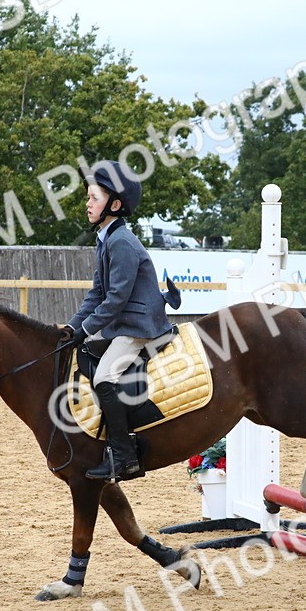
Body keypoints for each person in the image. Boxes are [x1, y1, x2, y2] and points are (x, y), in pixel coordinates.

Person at [60, 161, 178, 481]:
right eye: (87, 197)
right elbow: (96, 293)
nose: (87, 203)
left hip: (137, 327)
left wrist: (85, 329)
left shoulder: (122, 242)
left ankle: (124, 457)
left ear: (114, 205)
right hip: (122, 323)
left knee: (104, 379)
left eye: (93, 198)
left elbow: (116, 300)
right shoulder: (105, 237)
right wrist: (72, 327)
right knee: (84, 352)